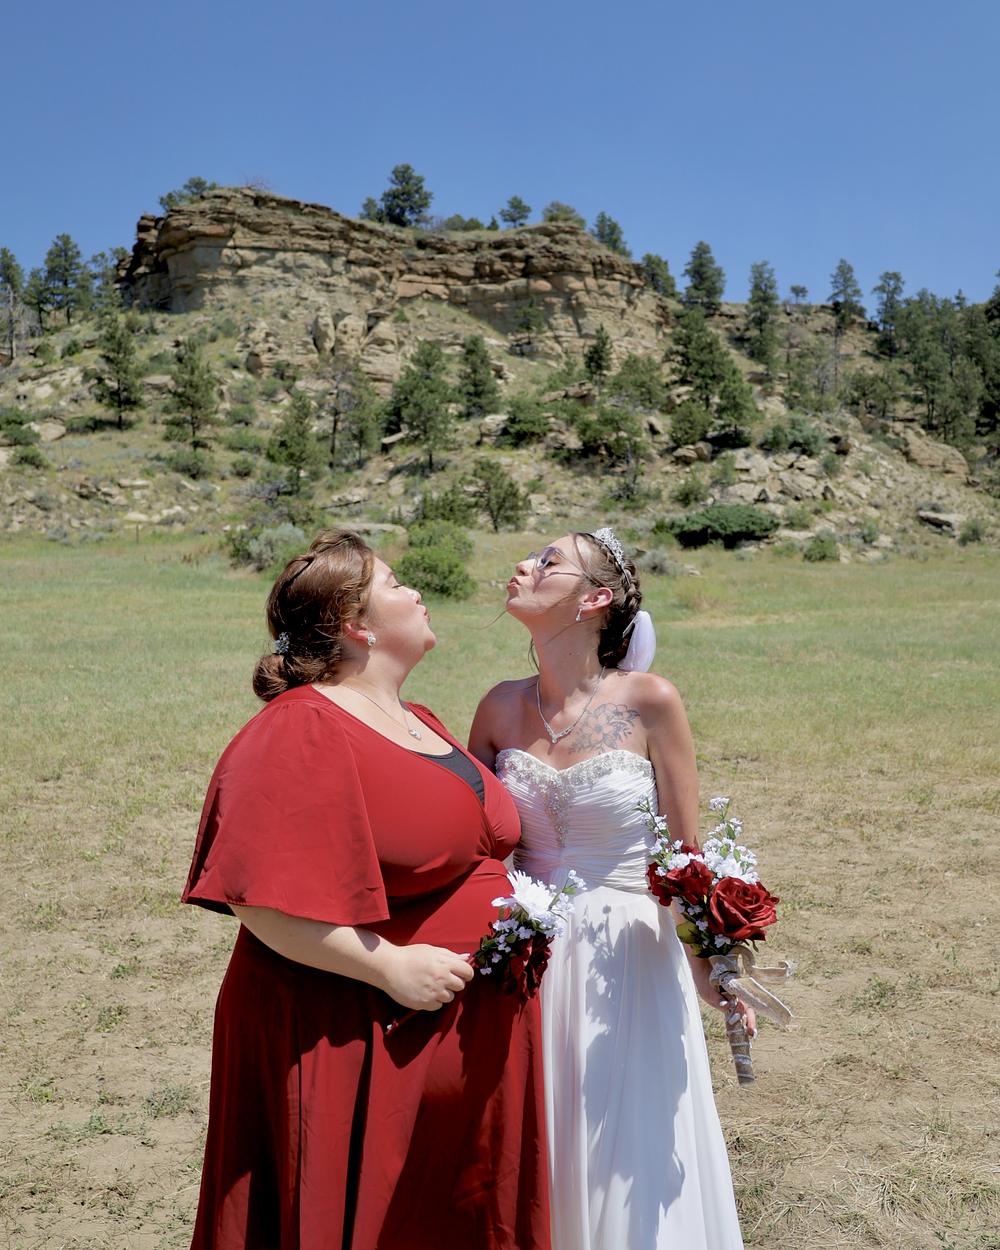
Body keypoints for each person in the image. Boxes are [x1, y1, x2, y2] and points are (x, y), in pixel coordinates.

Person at [182, 529, 551, 1250]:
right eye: (396, 584)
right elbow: (257, 899)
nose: (417, 592)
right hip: (351, 1029)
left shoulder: (419, 719)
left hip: (447, 1035)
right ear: (356, 623)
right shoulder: (299, 726)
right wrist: (388, 966)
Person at [469, 528, 749, 1250]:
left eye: (548, 561)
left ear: (594, 600)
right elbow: (475, 849)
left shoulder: (651, 701)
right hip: (527, 956)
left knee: (627, 1147)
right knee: (538, 1138)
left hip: (630, 959)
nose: (524, 565)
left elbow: (684, 858)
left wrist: (713, 968)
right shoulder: (497, 708)